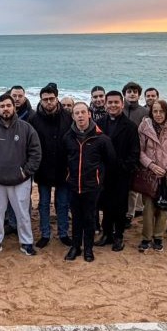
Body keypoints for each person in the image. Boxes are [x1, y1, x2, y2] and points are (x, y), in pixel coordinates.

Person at [0, 93, 42, 257]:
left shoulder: (26, 128)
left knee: (23, 214)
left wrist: (25, 171)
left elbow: (35, 153)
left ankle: (27, 243)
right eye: (2, 106)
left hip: (20, 180)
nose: (5, 109)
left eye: (8, 105)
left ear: (14, 107)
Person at [62, 102, 115, 262]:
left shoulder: (101, 138)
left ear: (89, 114)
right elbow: (63, 160)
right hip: (73, 185)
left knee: (90, 218)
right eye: (76, 113)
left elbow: (110, 161)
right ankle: (76, 246)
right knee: (76, 218)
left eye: (83, 112)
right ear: (73, 116)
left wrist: (99, 179)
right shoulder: (68, 137)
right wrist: (67, 177)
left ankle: (89, 248)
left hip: (92, 186)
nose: (80, 116)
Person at [28, 83, 73, 248]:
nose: (49, 102)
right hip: (43, 168)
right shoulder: (33, 119)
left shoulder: (68, 117)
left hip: (63, 168)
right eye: (45, 99)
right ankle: (45, 234)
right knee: (43, 203)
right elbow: (30, 145)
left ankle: (63, 233)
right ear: (40, 100)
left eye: (51, 99)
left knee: (62, 203)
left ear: (57, 98)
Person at [94, 91, 140, 252]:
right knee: (105, 205)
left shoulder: (130, 126)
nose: (113, 105)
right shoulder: (99, 123)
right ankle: (106, 234)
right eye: (110, 102)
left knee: (120, 206)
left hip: (121, 174)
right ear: (105, 104)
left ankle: (118, 236)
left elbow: (135, 152)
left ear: (122, 104)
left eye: (116, 102)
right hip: (104, 173)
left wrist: (123, 168)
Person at [137, 100, 167, 252]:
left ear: (166, 112)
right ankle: (146, 238)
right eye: (155, 111)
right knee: (148, 208)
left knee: (163, 208)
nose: (158, 114)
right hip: (150, 175)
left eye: (161, 111)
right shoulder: (144, 127)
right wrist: (151, 165)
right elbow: (140, 152)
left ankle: (158, 237)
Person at [122, 81, 148, 223]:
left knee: (134, 186)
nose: (132, 94)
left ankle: (130, 214)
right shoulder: (120, 109)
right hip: (121, 152)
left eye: (135, 92)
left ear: (139, 95)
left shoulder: (144, 112)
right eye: (129, 92)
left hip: (138, 152)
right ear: (124, 94)